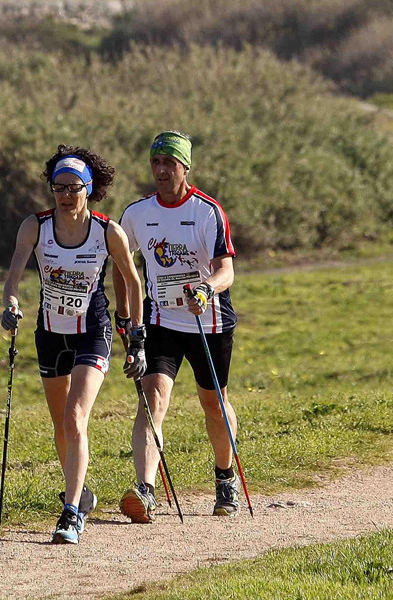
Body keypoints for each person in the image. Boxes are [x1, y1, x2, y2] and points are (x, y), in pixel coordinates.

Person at [1, 145, 145, 544]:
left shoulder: (107, 231)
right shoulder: (35, 226)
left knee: (74, 418)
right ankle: (81, 494)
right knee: (60, 429)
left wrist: (137, 336)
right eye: (58, 187)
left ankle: (69, 515)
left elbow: (132, 283)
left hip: (92, 331)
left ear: (89, 189)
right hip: (49, 334)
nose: (65, 196)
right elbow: (13, 276)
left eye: (74, 187)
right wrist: (10, 304)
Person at [113, 131, 240, 522]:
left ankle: (225, 478)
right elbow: (121, 262)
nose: (162, 170)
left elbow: (226, 270)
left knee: (212, 404)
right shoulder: (136, 213)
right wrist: (124, 314)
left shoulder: (207, 211)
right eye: (156, 163)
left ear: (185, 167)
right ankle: (146, 490)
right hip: (160, 321)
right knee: (152, 400)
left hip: (208, 321)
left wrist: (207, 289)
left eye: (170, 163)